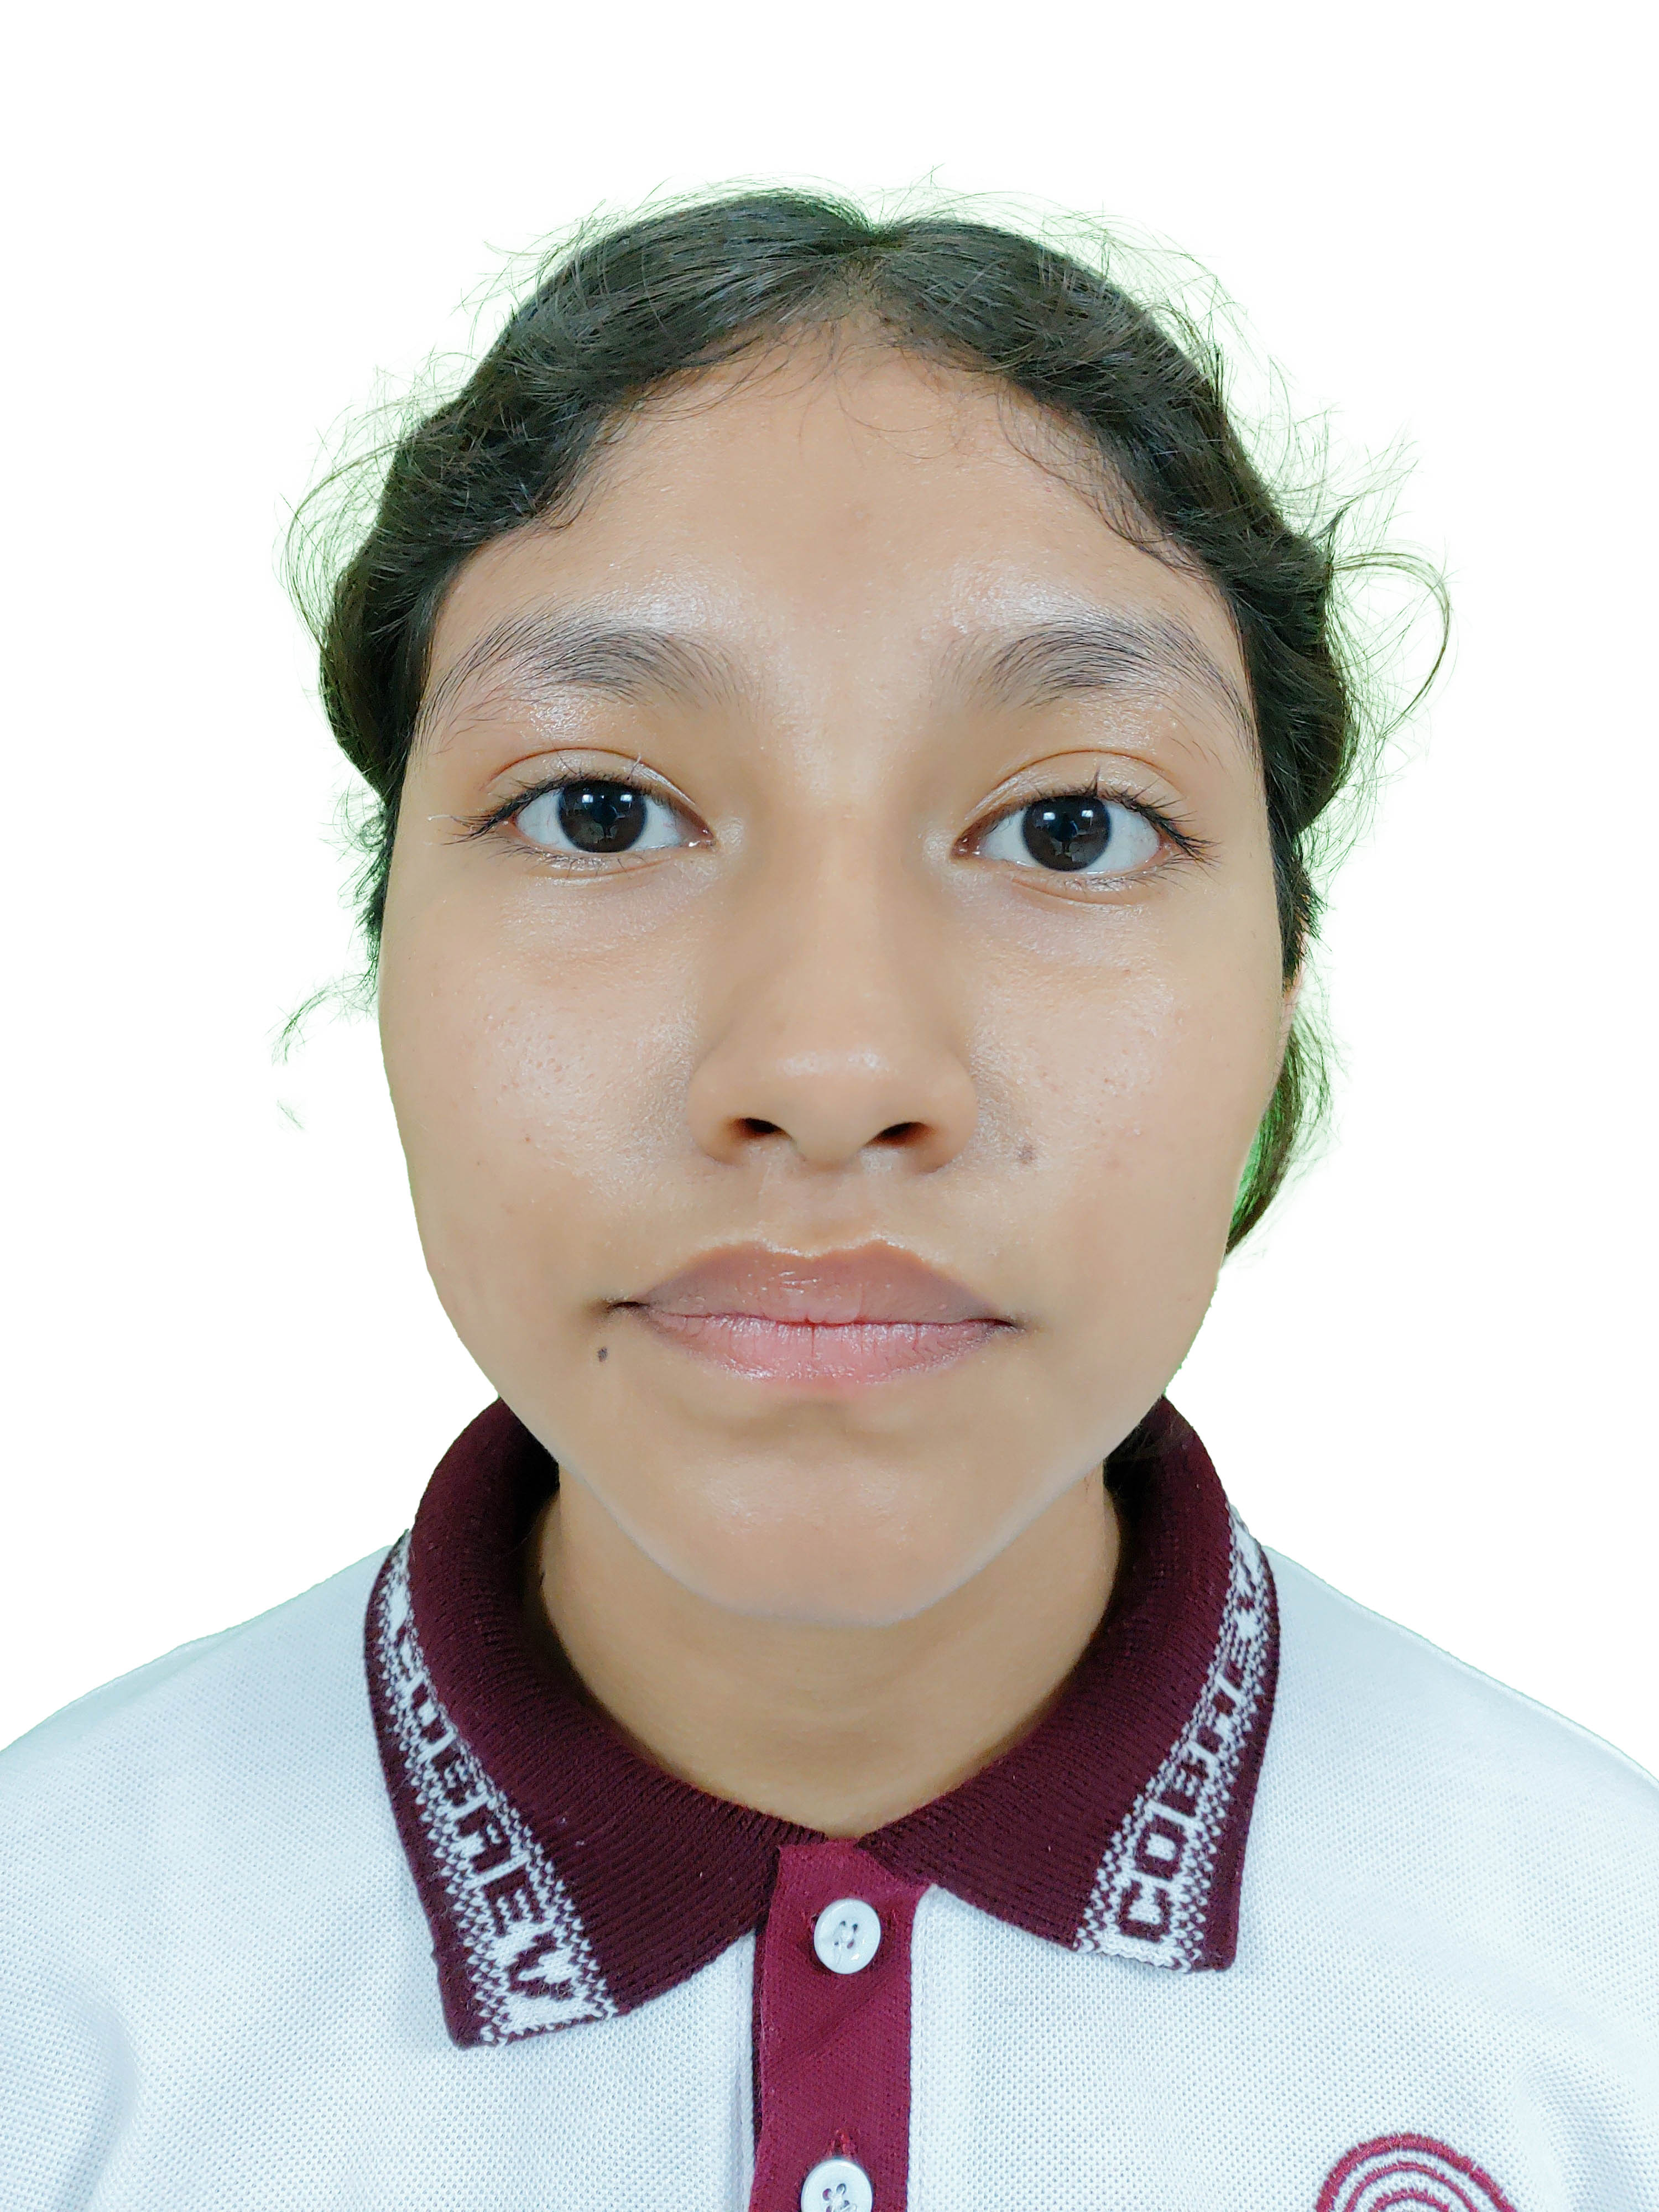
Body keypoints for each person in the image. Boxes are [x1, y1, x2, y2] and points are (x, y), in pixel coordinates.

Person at [1, 190, 1653, 2212]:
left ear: (1281, 992)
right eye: (599, 809)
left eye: (1073, 825)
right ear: (387, 955)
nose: (831, 1066)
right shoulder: (47, 1996)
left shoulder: (1611, 2009)